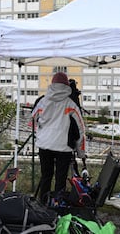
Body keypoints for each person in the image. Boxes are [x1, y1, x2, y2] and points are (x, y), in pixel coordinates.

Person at [32, 72, 86, 203]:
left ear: (52, 84)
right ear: (67, 85)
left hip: (44, 145)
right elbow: (80, 129)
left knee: (46, 176)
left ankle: (43, 205)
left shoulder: (42, 102)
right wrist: (81, 152)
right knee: (60, 179)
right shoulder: (71, 104)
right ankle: (57, 206)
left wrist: (39, 136)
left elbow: (33, 121)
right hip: (64, 147)